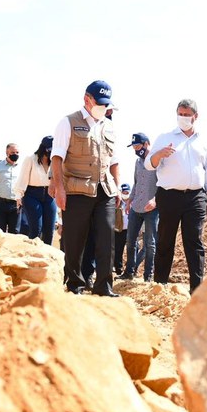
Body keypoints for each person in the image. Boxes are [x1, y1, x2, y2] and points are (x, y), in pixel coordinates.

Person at [50, 80, 120, 297]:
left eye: (106, 104)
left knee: (106, 238)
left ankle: (104, 285)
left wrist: (117, 187)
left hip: (105, 190)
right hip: (77, 189)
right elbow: (57, 157)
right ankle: (75, 285)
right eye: (99, 103)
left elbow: (114, 160)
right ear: (87, 100)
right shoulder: (68, 122)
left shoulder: (109, 126)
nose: (103, 107)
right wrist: (59, 188)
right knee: (74, 239)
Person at [145, 99, 207, 293]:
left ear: (195, 116)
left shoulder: (204, 141)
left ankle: (197, 291)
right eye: (180, 114)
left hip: (196, 197)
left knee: (194, 242)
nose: (183, 118)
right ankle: (160, 287)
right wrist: (159, 154)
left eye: (187, 115)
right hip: (169, 197)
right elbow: (148, 164)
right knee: (165, 240)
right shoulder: (164, 138)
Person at [120, 132, 158, 282]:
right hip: (136, 207)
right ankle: (129, 272)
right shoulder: (137, 162)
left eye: (137, 146)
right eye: (133, 147)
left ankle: (148, 276)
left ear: (146, 144)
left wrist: (155, 200)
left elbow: (163, 184)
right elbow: (136, 183)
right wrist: (130, 200)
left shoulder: (156, 160)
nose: (135, 149)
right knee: (130, 241)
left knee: (150, 243)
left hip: (151, 209)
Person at [14, 136, 57, 245]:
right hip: (32, 195)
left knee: (49, 230)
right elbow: (22, 178)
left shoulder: (55, 161)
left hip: (49, 195)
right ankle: (33, 253)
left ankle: (47, 254)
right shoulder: (30, 159)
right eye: (49, 150)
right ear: (43, 148)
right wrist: (18, 196)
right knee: (36, 229)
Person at [114, 183, 131, 275]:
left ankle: (131, 269)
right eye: (123, 192)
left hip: (131, 230)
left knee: (132, 249)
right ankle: (118, 268)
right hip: (119, 230)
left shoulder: (133, 202)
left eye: (127, 192)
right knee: (118, 250)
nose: (125, 194)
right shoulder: (117, 202)